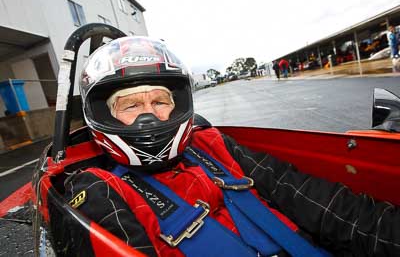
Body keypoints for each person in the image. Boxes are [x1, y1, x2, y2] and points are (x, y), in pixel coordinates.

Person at [64, 36, 400, 257]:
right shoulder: (100, 190)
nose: (149, 117)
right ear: (102, 115)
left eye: (159, 101)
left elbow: (317, 200)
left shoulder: (212, 144)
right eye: (130, 105)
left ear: (179, 104)